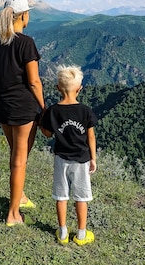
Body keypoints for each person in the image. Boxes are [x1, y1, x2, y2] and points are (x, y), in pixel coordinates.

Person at [0, 0, 46, 226]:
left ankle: (19, 196)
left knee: (16, 156)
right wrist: (43, 108)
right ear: (22, 16)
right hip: (23, 109)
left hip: (4, 106)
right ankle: (13, 214)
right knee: (19, 160)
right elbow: (34, 82)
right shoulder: (26, 43)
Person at [40, 64, 97, 245]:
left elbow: (48, 134)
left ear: (57, 89)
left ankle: (63, 232)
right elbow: (91, 137)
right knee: (81, 197)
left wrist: (41, 122)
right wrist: (93, 158)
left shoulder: (53, 111)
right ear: (80, 89)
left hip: (61, 159)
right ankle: (81, 234)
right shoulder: (85, 111)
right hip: (81, 161)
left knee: (61, 196)